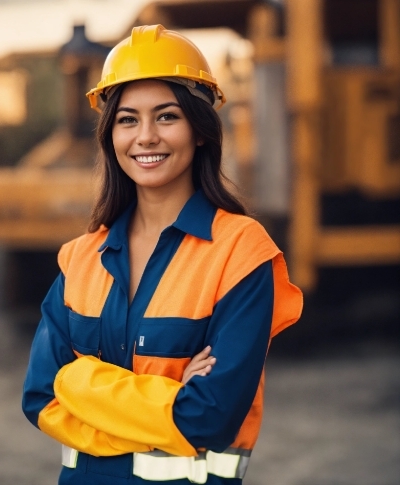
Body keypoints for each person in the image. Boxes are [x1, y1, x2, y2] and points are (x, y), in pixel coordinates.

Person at [22, 24, 303, 485]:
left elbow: (210, 417)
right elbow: (39, 397)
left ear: (199, 130)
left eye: (166, 116)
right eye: (128, 119)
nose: (145, 136)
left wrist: (79, 382)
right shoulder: (80, 258)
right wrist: (170, 396)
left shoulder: (240, 252)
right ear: (110, 135)